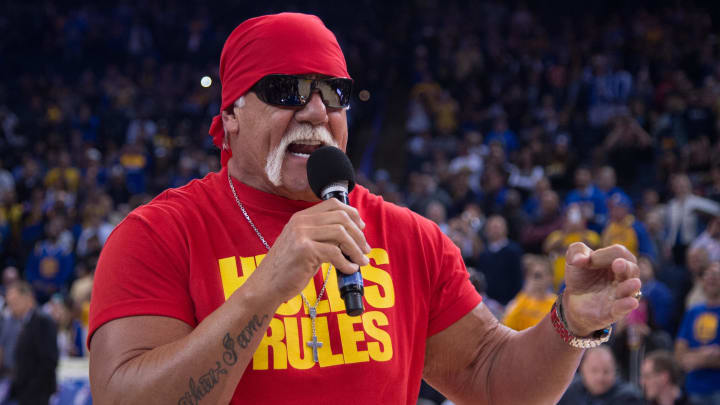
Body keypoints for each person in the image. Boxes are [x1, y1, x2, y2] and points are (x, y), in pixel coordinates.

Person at [88, 13, 644, 404]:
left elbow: (493, 379)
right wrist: (263, 290)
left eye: (334, 93)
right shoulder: (157, 235)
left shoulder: (408, 237)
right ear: (231, 114)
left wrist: (570, 323)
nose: (314, 110)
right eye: (286, 89)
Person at [4, 281, 59, 405]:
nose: (12, 307)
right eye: (10, 304)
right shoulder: (23, 322)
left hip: (37, 393)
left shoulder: (43, 321)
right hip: (24, 391)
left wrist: (34, 388)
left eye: (15, 302)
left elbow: (49, 360)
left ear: (28, 298)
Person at [675, 261, 720, 405]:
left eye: (715, 274)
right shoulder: (693, 311)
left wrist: (695, 358)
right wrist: (707, 355)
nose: (710, 277)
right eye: (707, 274)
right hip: (693, 390)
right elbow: (679, 353)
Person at [557, 345, 644, 405]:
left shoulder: (629, 398)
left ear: (615, 370)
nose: (600, 377)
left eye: (606, 371)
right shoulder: (567, 393)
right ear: (582, 370)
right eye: (594, 371)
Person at [502, 254, 557, 331]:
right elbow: (508, 325)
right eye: (532, 275)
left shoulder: (556, 304)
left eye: (538, 275)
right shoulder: (521, 300)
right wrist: (525, 294)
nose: (536, 280)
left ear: (551, 278)